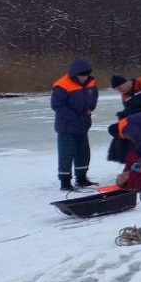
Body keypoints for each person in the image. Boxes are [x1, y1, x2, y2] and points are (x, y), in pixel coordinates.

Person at [51, 58, 99, 189]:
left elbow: (94, 96)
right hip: (66, 126)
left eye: (86, 75)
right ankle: (65, 181)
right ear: (75, 74)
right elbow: (57, 106)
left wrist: (90, 107)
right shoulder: (61, 85)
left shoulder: (91, 82)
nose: (84, 78)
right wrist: (75, 116)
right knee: (67, 153)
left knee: (83, 152)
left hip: (83, 125)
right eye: (81, 76)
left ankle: (81, 178)